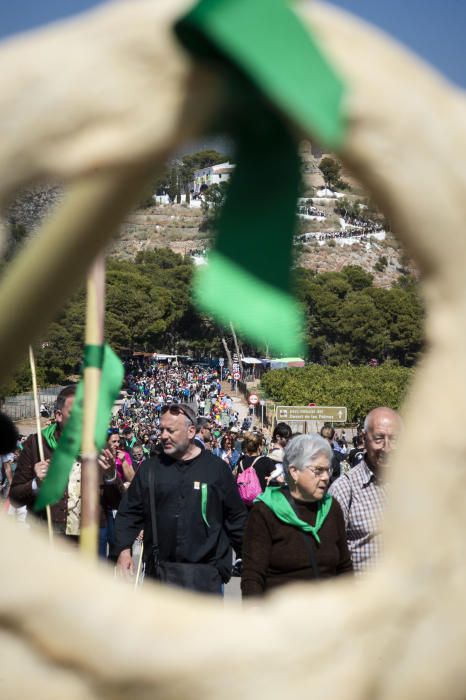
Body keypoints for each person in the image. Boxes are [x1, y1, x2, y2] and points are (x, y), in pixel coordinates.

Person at [114, 403, 247, 594]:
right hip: (160, 575)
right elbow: (129, 513)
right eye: (161, 430)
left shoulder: (216, 470)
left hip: (205, 576)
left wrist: (250, 562)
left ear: (191, 431)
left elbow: (236, 519)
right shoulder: (150, 469)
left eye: (171, 430)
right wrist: (123, 550)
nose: (164, 436)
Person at [241, 434, 352, 597]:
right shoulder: (265, 512)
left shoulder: (332, 508)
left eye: (328, 470)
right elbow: (252, 577)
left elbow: (344, 567)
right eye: (318, 470)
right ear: (294, 471)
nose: (326, 477)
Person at [10, 385, 124, 540]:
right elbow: (15, 498)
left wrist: (111, 476)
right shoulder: (37, 444)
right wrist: (36, 483)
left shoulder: (100, 447)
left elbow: (119, 504)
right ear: (58, 415)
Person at [329, 406, 402, 574]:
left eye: (394, 439)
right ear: (364, 439)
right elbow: (329, 554)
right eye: (378, 439)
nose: (387, 447)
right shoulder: (344, 489)